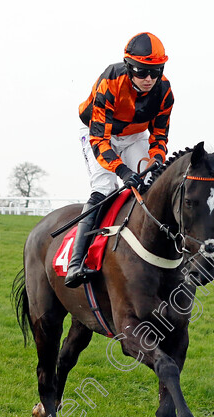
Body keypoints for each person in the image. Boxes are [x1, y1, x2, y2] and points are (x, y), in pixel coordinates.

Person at [64, 32, 174, 288]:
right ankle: (76, 262)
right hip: (98, 132)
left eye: (155, 72)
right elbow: (100, 141)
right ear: (129, 67)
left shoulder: (165, 91)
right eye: (142, 72)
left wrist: (154, 163)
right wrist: (123, 171)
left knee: (150, 182)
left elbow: (159, 138)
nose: (149, 79)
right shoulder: (110, 80)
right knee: (104, 187)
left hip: (135, 135)